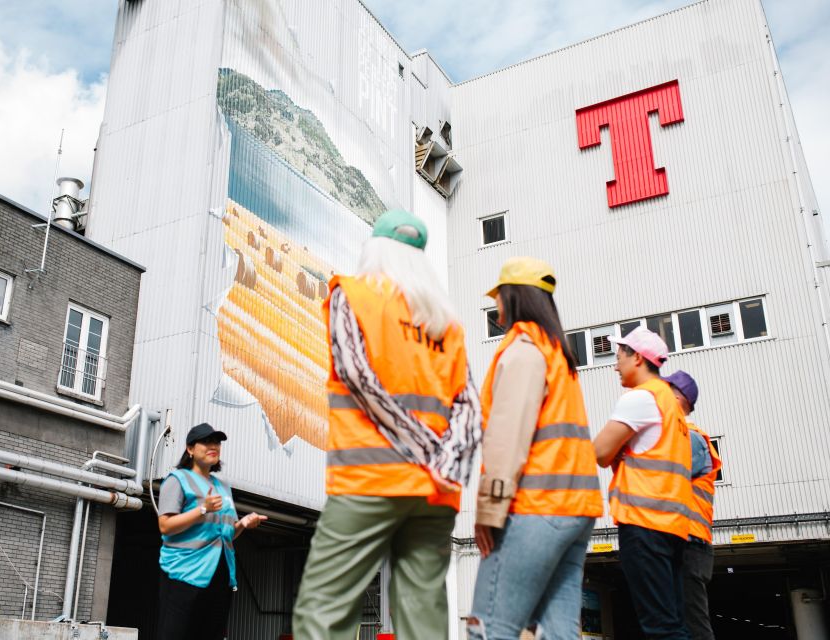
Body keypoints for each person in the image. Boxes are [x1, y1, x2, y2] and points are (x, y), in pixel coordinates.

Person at [292, 209, 482, 640]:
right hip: (437, 493)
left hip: (370, 479)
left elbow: (357, 375)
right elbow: (469, 405)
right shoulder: (446, 323)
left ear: (374, 249)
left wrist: (419, 451)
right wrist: (444, 462)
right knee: (423, 616)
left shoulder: (353, 294)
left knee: (323, 612)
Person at [467, 257, 603, 640]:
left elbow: (508, 439)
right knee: (559, 633)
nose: (496, 309)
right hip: (576, 512)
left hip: (537, 508)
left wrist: (490, 510)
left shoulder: (524, 351)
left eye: (497, 298)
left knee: (488, 627)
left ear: (512, 297)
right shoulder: (558, 354)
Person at [592, 327, 693, 640]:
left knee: (660, 628)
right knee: (672, 623)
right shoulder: (670, 405)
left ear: (637, 358)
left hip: (644, 524)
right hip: (672, 526)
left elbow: (599, 452)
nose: (614, 365)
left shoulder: (641, 398)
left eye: (618, 356)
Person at [155, 422, 267, 640]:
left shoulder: (223, 486)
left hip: (220, 572)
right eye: (206, 441)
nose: (213, 446)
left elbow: (226, 534)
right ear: (190, 449)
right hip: (184, 571)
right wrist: (203, 508)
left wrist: (242, 524)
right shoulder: (177, 480)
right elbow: (165, 525)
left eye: (216, 442)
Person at [664, 370, 722, 640]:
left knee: (693, 623)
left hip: (690, 542)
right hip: (680, 541)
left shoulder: (691, 438)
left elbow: (667, 477)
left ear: (677, 398)